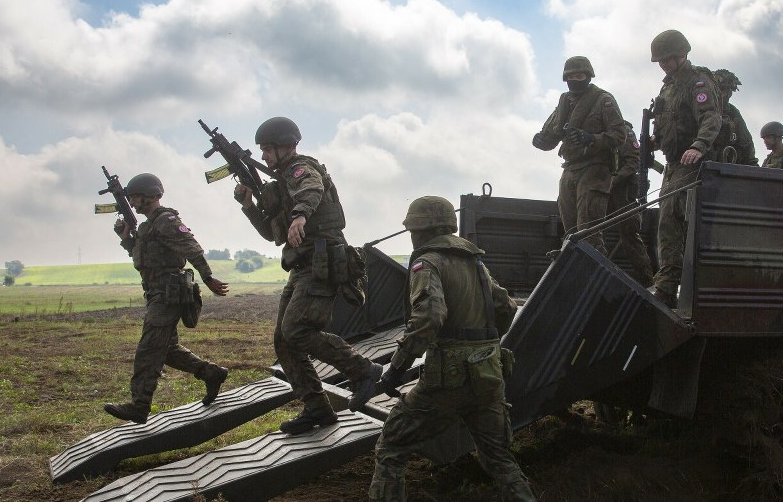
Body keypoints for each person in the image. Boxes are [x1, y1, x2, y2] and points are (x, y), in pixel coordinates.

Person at [368, 196, 536, 502]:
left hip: (447, 380)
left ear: (421, 230)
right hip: (488, 376)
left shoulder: (426, 263)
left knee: (391, 446)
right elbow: (507, 308)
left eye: (413, 229)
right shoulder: (475, 262)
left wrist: (395, 371)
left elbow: (429, 318)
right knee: (498, 459)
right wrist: (482, 345)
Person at [233, 117, 381, 434]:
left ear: (286, 146)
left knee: (297, 330)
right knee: (283, 340)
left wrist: (300, 216)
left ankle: (364, 370)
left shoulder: (302, 170)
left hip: (321, 262)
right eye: (261, 150)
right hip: (302, 267)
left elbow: (312, 188)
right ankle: (316, 407)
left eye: (268, 150)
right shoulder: (281, 185)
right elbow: (272, 234)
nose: (264, 156)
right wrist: (249, 206)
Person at [104, 173, 229, 424]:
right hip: (155, 293)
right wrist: (126, 239)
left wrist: (207, 277)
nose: (132, 201)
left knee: (149, 349)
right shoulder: (148, 226)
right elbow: (144, 258)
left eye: (135, 196)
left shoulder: (165, 221)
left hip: (168, 294)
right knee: (168, 350)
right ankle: (210, 373)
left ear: (149, 195)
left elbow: (192, 247)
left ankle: (139, 406)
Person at [646, 30, 723, 307]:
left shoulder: (698, 81)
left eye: (668, 59)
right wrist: (654, 141)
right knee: (665, 222)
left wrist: (699, 145)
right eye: (661, 61)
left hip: (692, 162)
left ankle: (667, 287)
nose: (664, 64)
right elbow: (667, 122)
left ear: (682, 55)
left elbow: (711, 117)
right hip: (672, 163)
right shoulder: (668, 87)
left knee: (671, 221)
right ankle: (667, 283)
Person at [532, 56, 627, 254]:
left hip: (595, 167)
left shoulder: (603, 100)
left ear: (588, 76)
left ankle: (597, 277)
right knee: (570, 230)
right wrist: (541, 140)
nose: (576, 79)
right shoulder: (564, 103)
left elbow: (619, 135)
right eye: (571, 76)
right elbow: (551, 135)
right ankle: (575, 268)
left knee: (589, 231)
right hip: (570, 167)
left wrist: (591, 138)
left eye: (580, 75)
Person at [606, 120, 655, 286]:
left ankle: (647, 280)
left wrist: (613, 181)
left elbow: (633, 162)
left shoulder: (624, 131)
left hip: (622, 191)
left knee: (630, 235)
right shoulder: (596, 130)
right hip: (598, 188)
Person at [711, 69, 758, 165]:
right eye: (723, 89)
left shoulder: (732, 112)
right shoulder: (703, 108)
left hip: (727, 166)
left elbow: (746, 143)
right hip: (700, 165)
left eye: (729, 90)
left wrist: (752, 166)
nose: (726, 94)